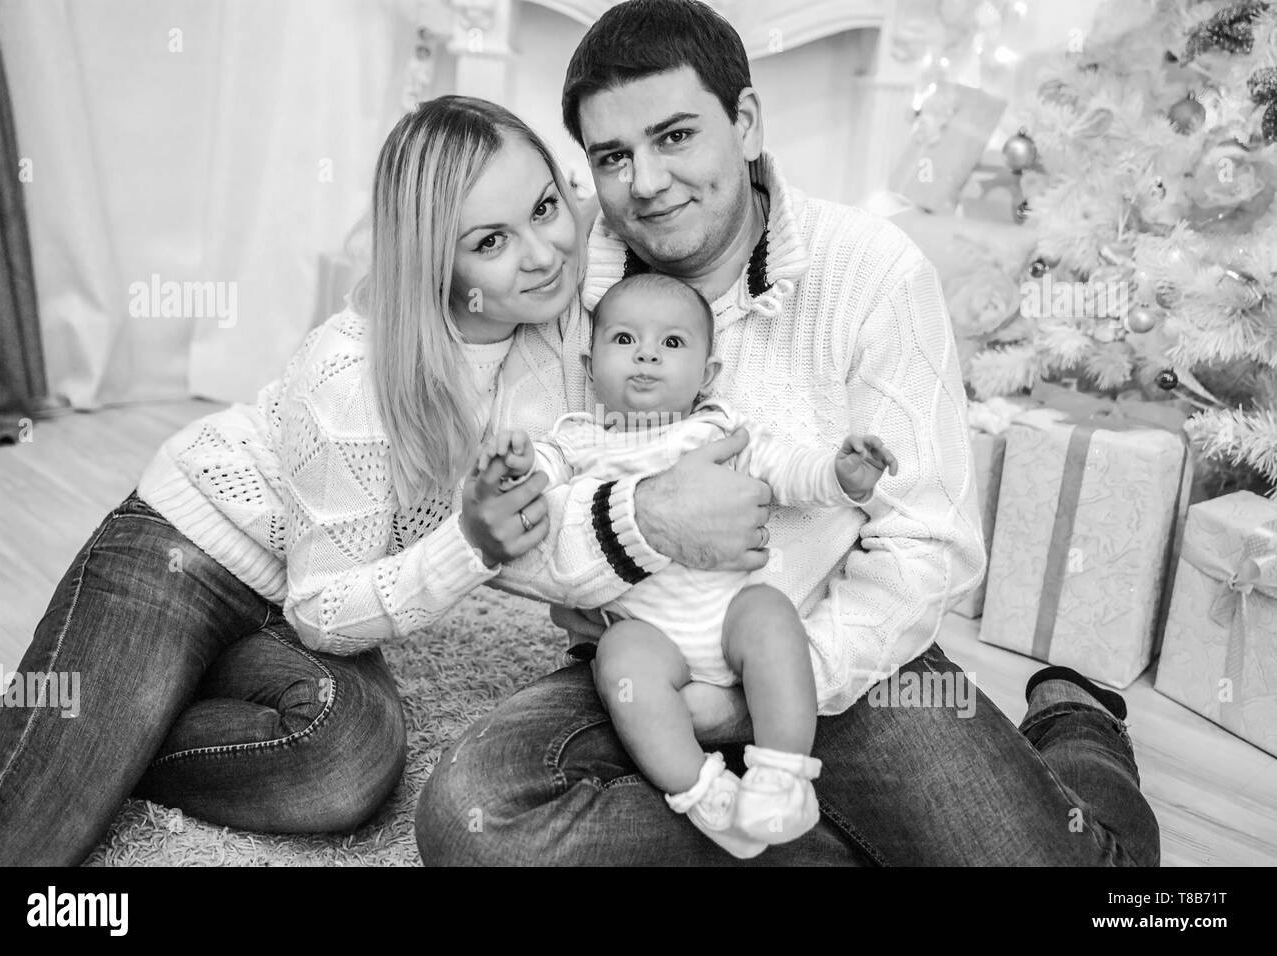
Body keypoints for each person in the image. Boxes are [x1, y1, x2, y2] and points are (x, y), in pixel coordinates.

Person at [415, 0, 1161, 866]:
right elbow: (519, 539)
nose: (646, 182)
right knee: (476, 819)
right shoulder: (564, 280)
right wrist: (645, 518)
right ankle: (794, 829)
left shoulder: (871, 270)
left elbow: (930, 544)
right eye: (613, 156)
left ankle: (1075, 721)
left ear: (746, 121)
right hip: (649, 662)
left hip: (840, 658)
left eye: (676, 136)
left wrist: (771, 690)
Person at [0, 95, 588, 865]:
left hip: (288, 603)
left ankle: (84, 733)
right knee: (16, 840)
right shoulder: (353, 370)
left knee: (343, 761)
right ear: (437, 259)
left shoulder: (562, 316)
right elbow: (323, 610)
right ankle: (64, 741)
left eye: (546, 206)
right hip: (189, 554)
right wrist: (469, 543)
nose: (543, 252)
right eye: (492, 240)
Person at [482, 272, 895, 857]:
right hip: (652, 639)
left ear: (706, 376)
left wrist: (839, 475)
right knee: (618, 662)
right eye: (624, 339)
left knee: (772, 614)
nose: (647, 353)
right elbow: (540, 487)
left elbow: (788, 469)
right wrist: (516, 471)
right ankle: (704, 794)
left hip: (729, 622)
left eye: (672, 343)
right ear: (590, 363)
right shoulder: (577, 440)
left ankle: (782, 776)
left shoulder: (717, 430)